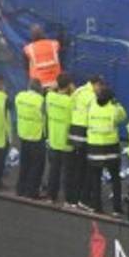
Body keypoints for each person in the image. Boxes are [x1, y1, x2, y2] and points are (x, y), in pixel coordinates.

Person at [85, 86, 126, 215]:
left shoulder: (91, 108)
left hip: (94, 148)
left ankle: (96, 206)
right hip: (110, 149)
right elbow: (123, 116)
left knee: (95, 179)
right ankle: (116, 208)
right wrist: (116, 103)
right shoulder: (114, 110)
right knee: (115, 179)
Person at [67, 75, 103, 208]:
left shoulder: (78, 90)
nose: (100, 89)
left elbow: (71, 106)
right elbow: (94, 115)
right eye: (100, 86)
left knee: (75, 166)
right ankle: (81, 198)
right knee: (83, 168)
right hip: (84, 133)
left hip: (74, 131)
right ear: (96, 84)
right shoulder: (92, 96)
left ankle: (71, 198)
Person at [44, 73, 75, 205]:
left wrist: (57, 85)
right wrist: (73, 90)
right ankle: (68, 199)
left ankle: (51, 196)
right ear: (68, 86)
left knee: (53, 171)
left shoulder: (50, 97)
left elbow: (49, 90)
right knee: (68, 173)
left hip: (53, 140)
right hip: (66, 142)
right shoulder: (70, 101)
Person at [14, 79, 46, 198]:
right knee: (37, 166)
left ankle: (20, 189)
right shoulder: (41, 100)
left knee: (24, 164)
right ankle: (32, 192)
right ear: (39, 88)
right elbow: (45, 115)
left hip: (23, 134)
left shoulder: (19, 96)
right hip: (36, 136)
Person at [23, 24, 61, 90]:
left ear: (32, 35)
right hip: (55, 82)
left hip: (38, 85)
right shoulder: (54, 44)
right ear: (43, 33)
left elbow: (25, 65)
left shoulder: (28, 49)